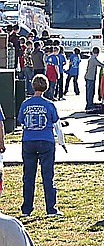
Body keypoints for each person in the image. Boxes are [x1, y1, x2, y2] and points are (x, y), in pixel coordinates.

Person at [19, 75, 62, 217]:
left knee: (28, 176)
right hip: (46, 140)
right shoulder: (49, 105)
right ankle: (51, 208)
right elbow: (57, 125)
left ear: (33, 86)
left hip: (29, 141)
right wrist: (62, 142)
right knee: (48, 175)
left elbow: (21, 121)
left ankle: (27, 208)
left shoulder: (25, 104)